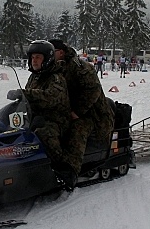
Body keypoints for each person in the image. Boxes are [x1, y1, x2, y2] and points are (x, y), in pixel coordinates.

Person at [6, 40, 74, 188]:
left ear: (47, 59)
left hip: (55, 120)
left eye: (38, 57)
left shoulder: (56, 77)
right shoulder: (34, 76)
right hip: (36, 116)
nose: (34, 60)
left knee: (44, 134)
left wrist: (25, 93)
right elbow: (27, 98)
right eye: (32, 57)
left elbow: (50, 98)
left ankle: (63, 169)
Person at [49, 39, 114, 179]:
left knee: (77, 128)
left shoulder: (80, 67)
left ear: (60, 53)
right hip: (73, 112)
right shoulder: (54, 68)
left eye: (51, 52)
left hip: (96, 116)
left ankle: (71, 170)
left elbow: (93, 91)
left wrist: (77, 112)